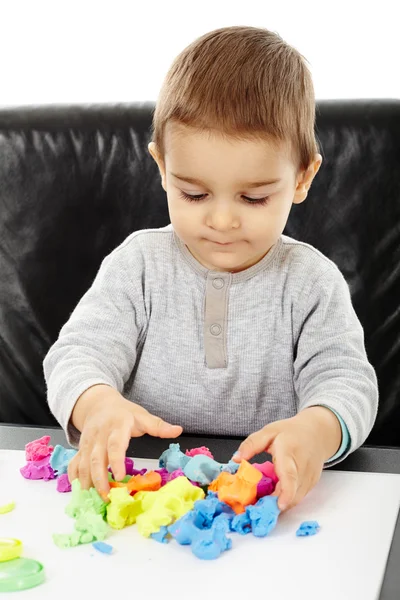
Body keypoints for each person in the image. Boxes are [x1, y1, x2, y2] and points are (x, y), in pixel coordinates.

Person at [43, 26, 378, 511]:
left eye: (254, 197)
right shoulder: (138, 264)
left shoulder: (311, 282)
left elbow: (346, 380)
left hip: (264, 494)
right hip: (141, 488)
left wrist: (316, 429)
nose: (221, 220)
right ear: (162, 168)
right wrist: (98, 404)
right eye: (194, 194)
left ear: (303, 177)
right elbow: (77, 354)